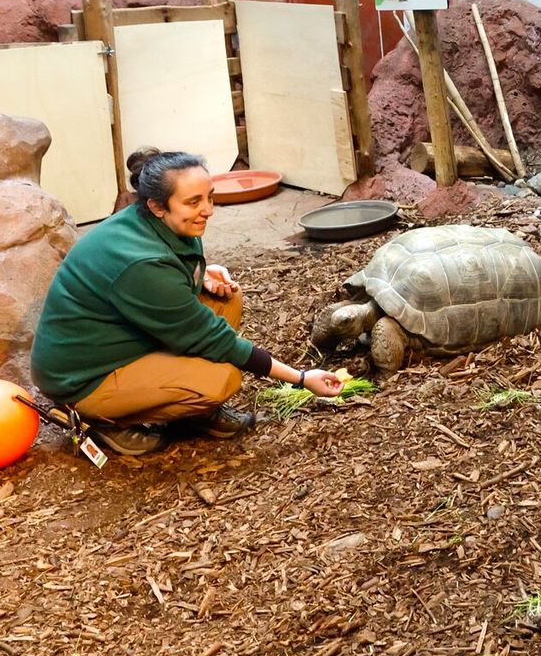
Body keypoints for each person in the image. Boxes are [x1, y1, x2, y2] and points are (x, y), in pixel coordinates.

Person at [31, 148, 344, 456]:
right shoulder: (140, 263)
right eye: (194, 202)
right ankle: (102, 420)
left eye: (209, 196)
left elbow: (170, 282)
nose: (207, 209)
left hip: (119, 342)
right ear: (157, 206)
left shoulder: (160, 222)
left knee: (226, 299)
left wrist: (201, 274)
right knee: (221, 379)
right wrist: (301, 378)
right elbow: (213, 338)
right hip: (83, 379)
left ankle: (188, 410)